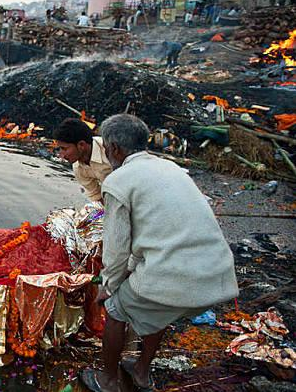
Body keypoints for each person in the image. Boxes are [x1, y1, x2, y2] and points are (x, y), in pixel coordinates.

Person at [80, 114, 238, 392]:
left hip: (175, 277)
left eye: (105, 147)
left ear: (114, 149)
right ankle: (141, 373)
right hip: (217, 276)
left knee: (117, 307)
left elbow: (116, 249)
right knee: (158, 309)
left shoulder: (118, 181)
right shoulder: (173, 169)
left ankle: (107, 380)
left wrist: (108, 286)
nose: (105, 152)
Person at [53, 118, 112, 203]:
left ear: (81, 145)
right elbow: (96, 196)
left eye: (64, 149)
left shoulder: (111, 150)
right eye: (59, 149)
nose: (61, 155)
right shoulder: (78, 168)